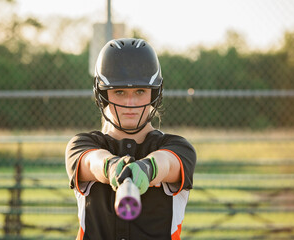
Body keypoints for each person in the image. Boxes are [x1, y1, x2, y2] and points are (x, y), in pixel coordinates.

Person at [65, 38, 196, 240]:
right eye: (119, 92)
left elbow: (168, 164)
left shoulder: (178, 147)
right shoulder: (82, 144)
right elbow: (91, 162)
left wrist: (148, 168)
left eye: (140, 91)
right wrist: (110, 167)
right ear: (102, 94)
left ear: (154, 93)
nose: (130, 102)